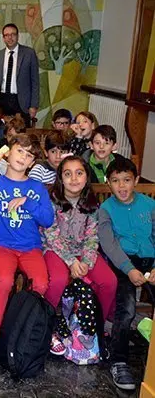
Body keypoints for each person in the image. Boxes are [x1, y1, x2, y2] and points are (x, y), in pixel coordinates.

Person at [0, 134, 54, 363]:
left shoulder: (37, 187)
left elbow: (47, 219)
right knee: (3, 280)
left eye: (29, 155)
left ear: (32, 162)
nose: (23, 157)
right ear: (9, 152)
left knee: (41, 283)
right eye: (19, 151)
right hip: (3, 246)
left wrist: (28, 202)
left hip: (31, 247)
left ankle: (25, 326)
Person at [41, 156, 117, 357]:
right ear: (60, 179)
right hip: (55, 250)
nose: (74, 178)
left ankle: (96, 327)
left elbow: (92, 237)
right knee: (57, 280)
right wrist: (71, 261)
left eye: (79, 173)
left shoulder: (92, 205)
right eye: (67, 174)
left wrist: (86, 262)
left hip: (83, 252)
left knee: (109, 281)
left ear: (86, 177)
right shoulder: (51, 201)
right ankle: (47, 325)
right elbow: (51, 235)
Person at [99, 157, 155, 390]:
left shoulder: (150, 205)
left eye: (127, 180)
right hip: (122, 262)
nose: (121, 186)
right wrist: (129, 270)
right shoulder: (106, 210)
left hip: (151, 261)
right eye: (115, 181)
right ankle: (119, 360)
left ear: (136, 181)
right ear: (108, 183)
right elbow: (109, 244)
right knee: (127, 308)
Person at [0, 23, 40, 124]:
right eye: (6, 35)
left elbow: (35, 82)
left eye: (13, 34)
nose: (10, 37)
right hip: (2, 99)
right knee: (2, 131)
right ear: (3, 38)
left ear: (18, 36)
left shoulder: (29, 53)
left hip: (21, 100)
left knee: (22, 132)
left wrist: (33, 105)